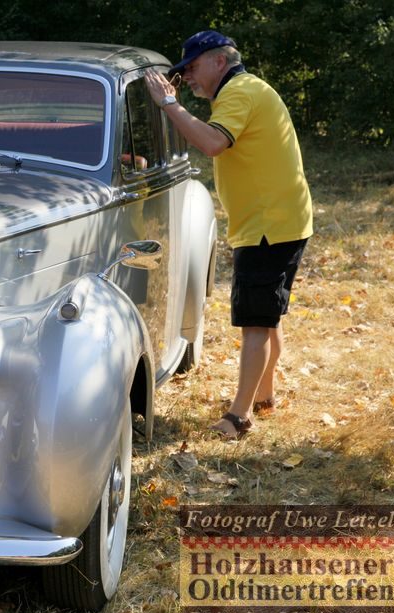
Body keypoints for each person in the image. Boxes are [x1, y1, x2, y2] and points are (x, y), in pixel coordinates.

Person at [145, 31, 313, 440]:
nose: (188, 77)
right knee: (268, 318)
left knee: (256, 324)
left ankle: (239, 417)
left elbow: (213, 143)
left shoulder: (239, 92)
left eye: (193, 67)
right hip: (280, 222)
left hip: (267, 228)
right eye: (182, 72)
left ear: (220, 61)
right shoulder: (245, 89)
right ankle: (264, 394)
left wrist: (169, 103)